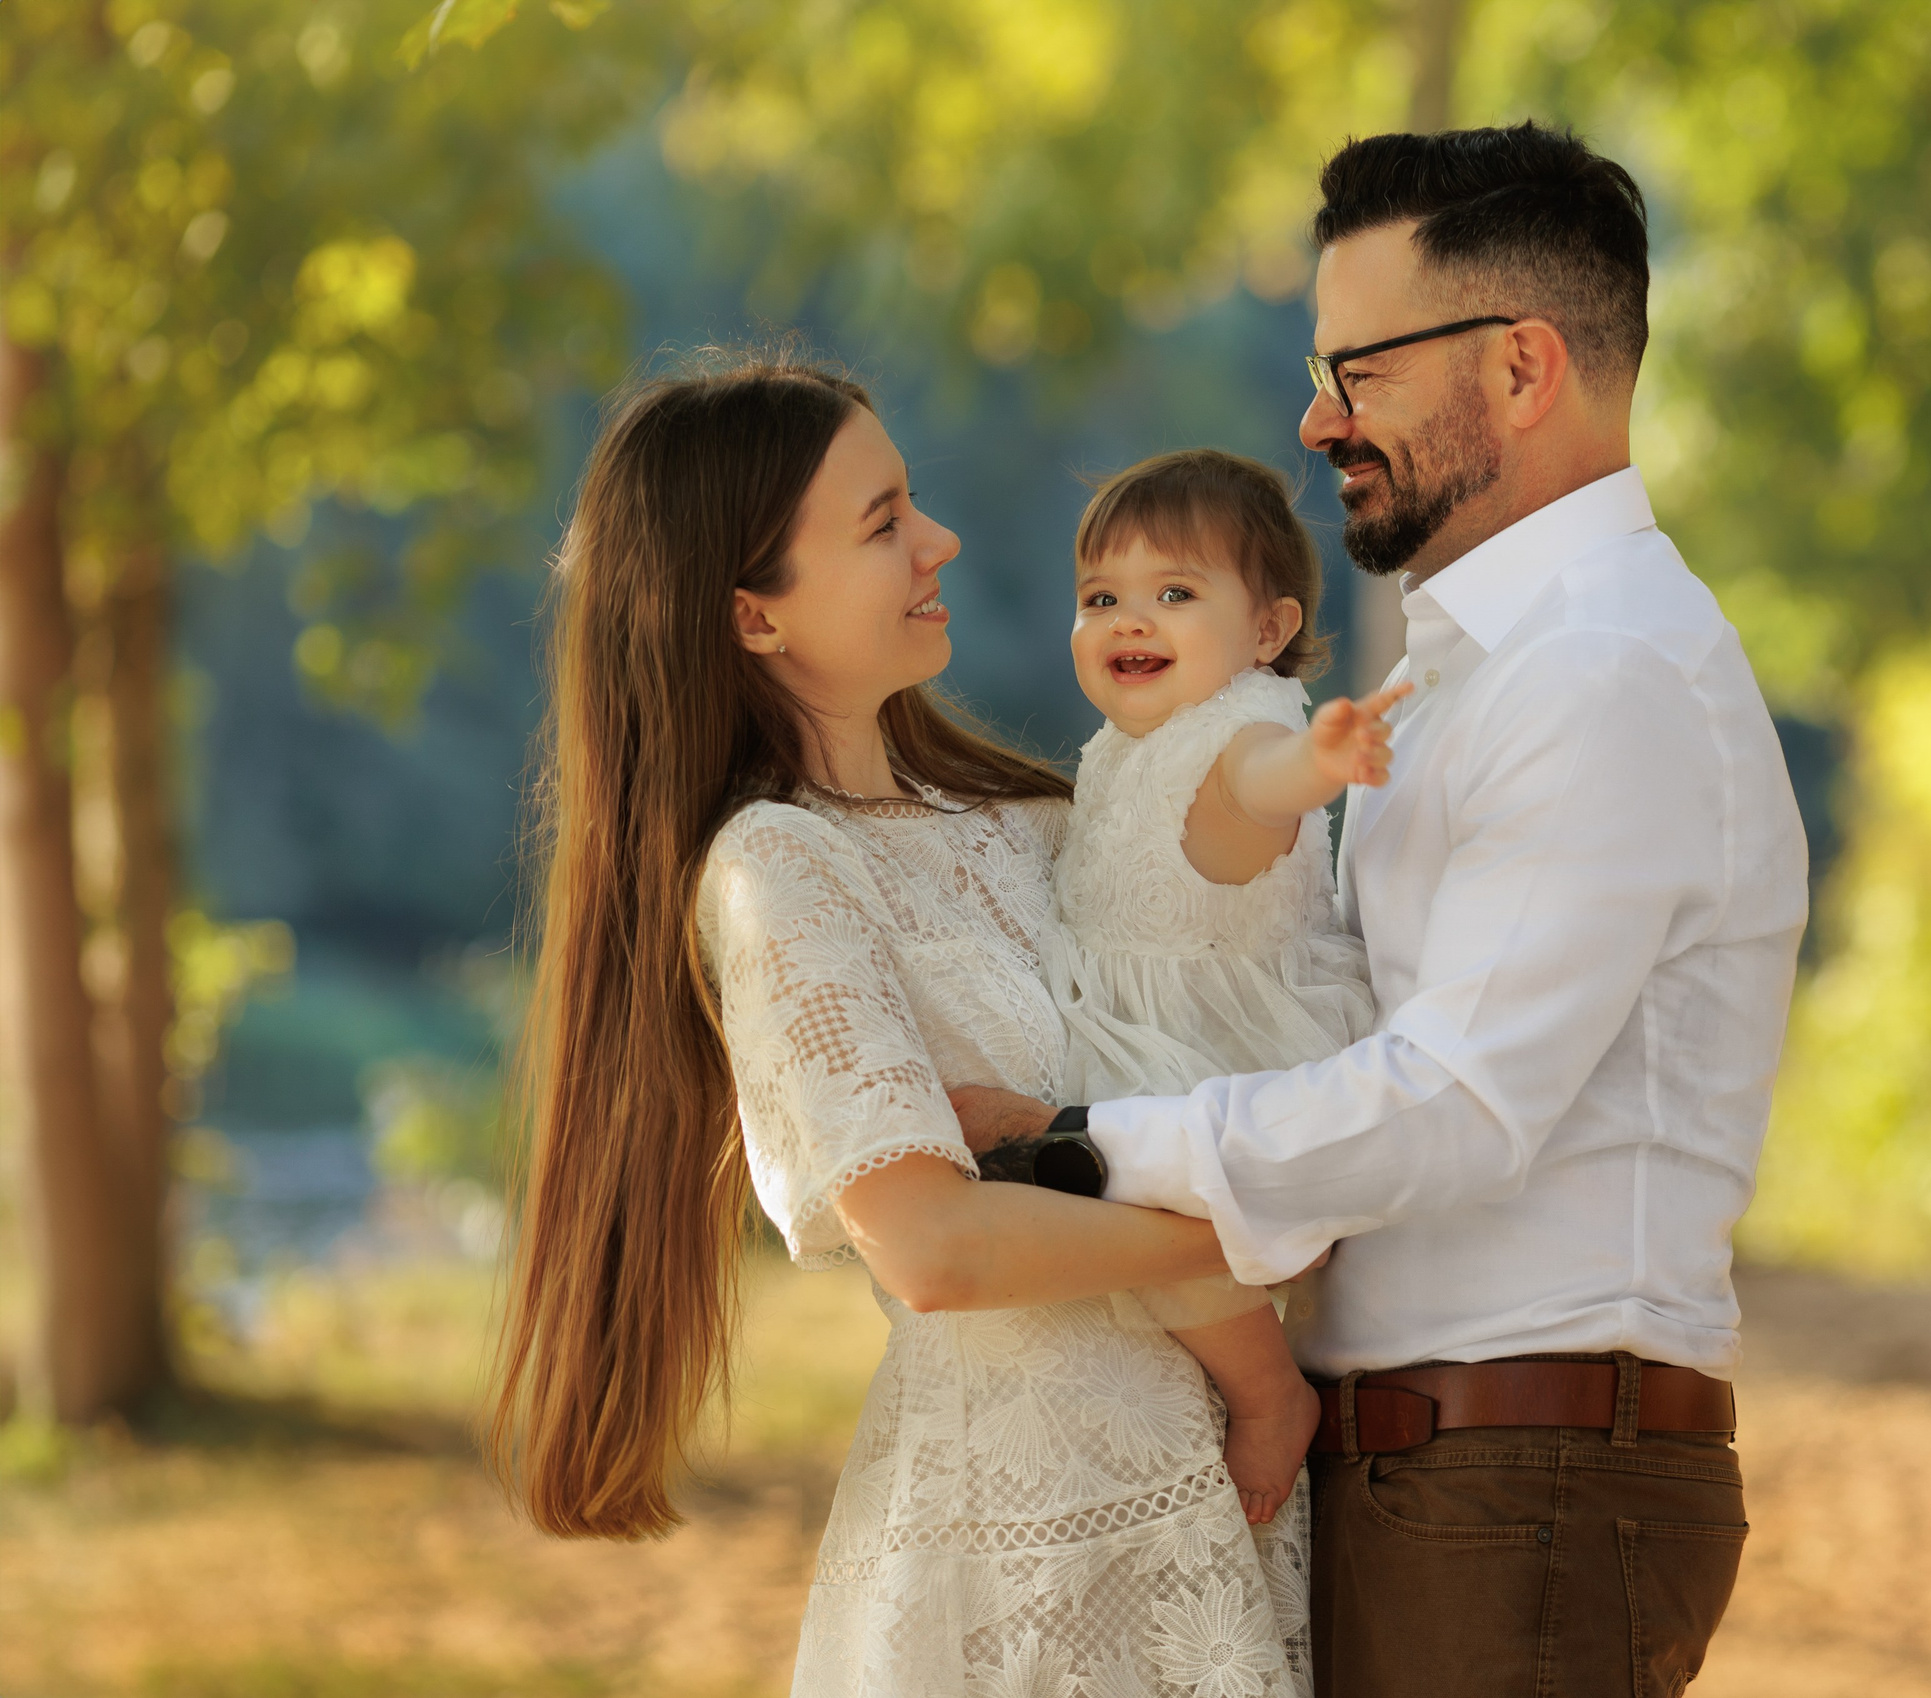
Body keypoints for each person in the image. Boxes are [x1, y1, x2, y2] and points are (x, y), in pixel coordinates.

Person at [952, 123, 1810, 1697]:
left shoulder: (1601, 671)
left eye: (1361, 370)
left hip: (1522, 1486)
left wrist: (1077, 1142)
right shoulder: (1461, 673)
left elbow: (1457, 1103)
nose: (1315, 415)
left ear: (1525, 369)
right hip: (1445, 1474)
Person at [487, 356, 1314, 1697]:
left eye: (911, 502)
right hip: (1023, 1546)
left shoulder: (1041, 824)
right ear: (755, 616)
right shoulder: (780, 871)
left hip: (1224, 1492)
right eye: (881, 523)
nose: (941, 540)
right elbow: (934, 1244)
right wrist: (1256, 1221)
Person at [1040, 448, 1408, 1527]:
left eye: (1174, 593)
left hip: (1214, 1044)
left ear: (1266, 632)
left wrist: (1321, 763)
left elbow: (1262, 786)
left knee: (1145, 1201)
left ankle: (1266, 1396)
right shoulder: (1121, 745)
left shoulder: (1245, 729)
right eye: (1099, 597)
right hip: (1143, 1027)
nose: (1127, 621)